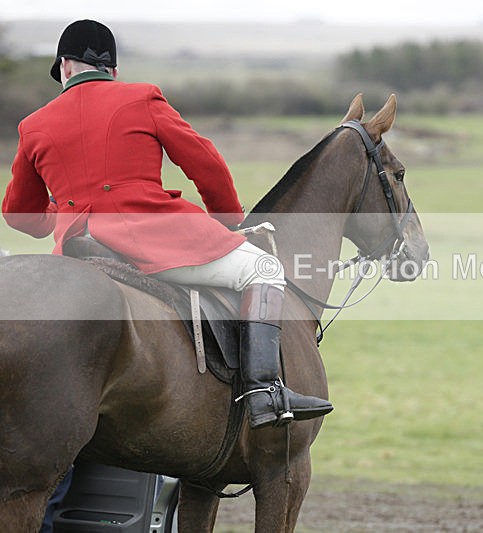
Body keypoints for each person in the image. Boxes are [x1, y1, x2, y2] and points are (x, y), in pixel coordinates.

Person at [1, 19, 332, 429]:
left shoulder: (33, 125)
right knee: (262, 269)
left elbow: (20, 214)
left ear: (65, 66)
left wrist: (62, 214)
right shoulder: (141, 98)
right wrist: (228, 224)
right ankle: (263, 392)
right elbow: (206, 165)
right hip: (153, 243)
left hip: (79, 251)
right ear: (113, 71)